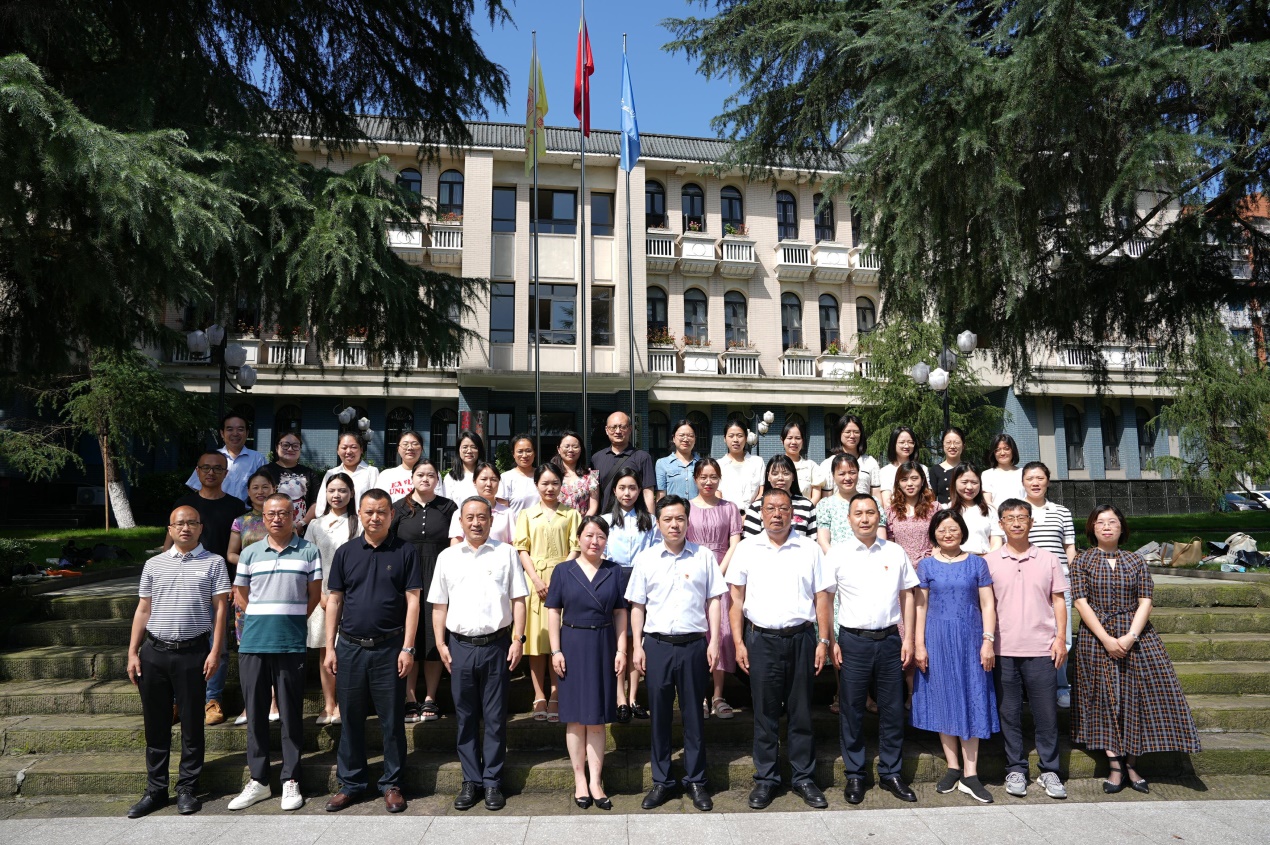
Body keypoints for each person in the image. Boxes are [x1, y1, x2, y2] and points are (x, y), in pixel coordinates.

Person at [1070, 505, 1200, 795]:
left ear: (1121, 527)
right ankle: (1115, 766)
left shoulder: (1135, 560)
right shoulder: (1082, 560)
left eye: (1112, 522)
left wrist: (1130, 636)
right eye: (1100, 522)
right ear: (1092, 528)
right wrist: (1106, 639)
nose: (1106, 527)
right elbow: (1080, 601)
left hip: (1137, 636)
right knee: (1104, 700)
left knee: (1135, 699)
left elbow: (1146, 600)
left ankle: (1132, 763)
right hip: (1096, 637)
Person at [727, 487, 835, 810]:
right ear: (761, 513)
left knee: (801, 712)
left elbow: (822, 598)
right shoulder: (747, 549)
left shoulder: (809, 549)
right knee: (765, 713)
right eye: (771, 508)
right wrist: (738, 642)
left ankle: (804, 777)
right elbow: (736, 600)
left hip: (801, 639)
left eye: (783, 508)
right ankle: (766, 779)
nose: (777, 514)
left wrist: (824, 640)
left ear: (793, 513)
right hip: (760, 640)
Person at [124, 506, 230, 818]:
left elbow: (220, 609)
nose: (186, 528)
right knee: (155, 724)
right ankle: (155, 790)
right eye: (179, 523)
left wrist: (215, 651)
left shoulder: (214, 563)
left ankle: (187, 788)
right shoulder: (154, 564)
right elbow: (143, 608)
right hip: (154, 653)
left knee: (192, 724)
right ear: (170, 529)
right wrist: (133, 652)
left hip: (193, 653)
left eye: (192, 523)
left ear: (201, 528)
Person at [322, 489, 421, 814]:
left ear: (391, 515)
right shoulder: (346, 552)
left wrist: (408, 647)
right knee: (350, 718)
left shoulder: (405, 551)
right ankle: (351, 784)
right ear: (360, 514)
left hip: (390, 648)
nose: (375, 517)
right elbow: (335, 600)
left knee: (391, 720)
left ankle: (392, 784)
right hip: (350, 647)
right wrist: (330, 647)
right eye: (369, 512)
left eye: (381, 512)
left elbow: (413, 602)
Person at [431, 496, 529, 812]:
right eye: (470, 517)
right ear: (461, 521)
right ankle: (471, 780)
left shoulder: (506, 553)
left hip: (497, 645)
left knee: (496, 717)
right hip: (459, 646)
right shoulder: (447, 557)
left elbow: (518, 600)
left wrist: (518, 639)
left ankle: (493, 782)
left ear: (491, 520)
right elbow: (439, 605)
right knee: (465, 717)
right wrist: (441, 644)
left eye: (482, 517)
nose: (476, 523)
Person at [627, 495, 725, 812]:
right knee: (660, 716)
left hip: (694, 645)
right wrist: (637, 645)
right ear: (658, 523)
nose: (674, 524)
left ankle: (696, 780)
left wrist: (713, 641)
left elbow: (714, 600)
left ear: (687, 520)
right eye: (668, 519)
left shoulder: (704, 556)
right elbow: (637, 605)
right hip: (657, 646)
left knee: (694, 715)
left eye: (680, 518)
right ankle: (662, 781)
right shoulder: (646, 559)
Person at [226, 493, 321, 812]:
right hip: (253, 642)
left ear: (294, 516)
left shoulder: (308, 551)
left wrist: (289, 620)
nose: (277, 518)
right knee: (255, 712)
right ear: (263, 518)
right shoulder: (250, 553)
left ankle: (291, 777)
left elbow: (314, 595)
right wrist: (262, 617)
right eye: (271, 514)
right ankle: (259, 780)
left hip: (290, 642)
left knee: (291, 713)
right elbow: (241, 595)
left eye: (283, 513)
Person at [828, 494, 919, 805]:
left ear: (878, 516)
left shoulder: (894, 551)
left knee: (892, 709)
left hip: (890, 639)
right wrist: (830, 640)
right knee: (852, 709)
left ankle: (891, 772)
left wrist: (908, 639)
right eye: (858, 513)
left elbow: (908, 595)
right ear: (849, 519)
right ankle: (855, 774)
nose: (864, 518)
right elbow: (825, 598)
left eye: (870, 512)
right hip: (852, 641)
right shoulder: (838, 553)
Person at [911, 510, 999, 804]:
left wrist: (988, 641)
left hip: (971, 638)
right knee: (944, 697)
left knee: (972, 696)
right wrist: (919, 644)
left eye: (953, 529)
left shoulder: (977, 563)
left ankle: (971, 774)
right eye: (941, 530)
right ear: (933, 534)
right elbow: (921, 607)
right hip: (937, 639)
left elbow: (988, 605)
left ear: (962, 531)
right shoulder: (926, 565)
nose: (947, 534)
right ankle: (952, 767)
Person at [985, 498, 1070, 800]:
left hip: (1042, 648)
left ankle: (1050, 770)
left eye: (1022, 517)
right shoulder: (989, 561)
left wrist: (1060, 638)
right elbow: (985, 606)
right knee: (1008, 713)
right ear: (1001, 524)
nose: (1017, 523)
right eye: (1010, 518)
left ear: (1031, 523)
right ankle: (1015, 768)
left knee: (1046, 713)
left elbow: (1058, 601)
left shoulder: (1049, 559)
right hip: (1003, 649)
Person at [546, 516, 628, 810]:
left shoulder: (614, 571)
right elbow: (553, 611)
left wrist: (621, 650)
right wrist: (556, 650)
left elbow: (621, 612)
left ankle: (596, 781)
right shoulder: (563, 570)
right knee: (575, 717)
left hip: (603, 644)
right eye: (589, 535)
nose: (595, 541)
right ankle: (579, 779)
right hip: (572, 645)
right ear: (578, 538)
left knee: (596, 717)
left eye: (601, 536)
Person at [167, 451, 245, 727]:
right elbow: (169, 543)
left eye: (217, 469)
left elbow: (238, 549)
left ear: (226, 473)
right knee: (179, 645)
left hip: (220, 585)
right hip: (184, 584)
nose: (211, 473)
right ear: (197, 471)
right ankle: (178, 700)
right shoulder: (184, 504)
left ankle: (212, 699)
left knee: (218, 646)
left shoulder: (236, 506)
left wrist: (237, 583)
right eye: (205, 468)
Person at [391, 459, 457, 724]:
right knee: (410, 634)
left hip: (438, 577)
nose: (425, 479)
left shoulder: (448, 507)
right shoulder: (399, 507)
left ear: (437, 480)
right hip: (405, 577)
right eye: (420, 474)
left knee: (432, 634)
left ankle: (430, 696)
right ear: (412, 478)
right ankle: (409, 697)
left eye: (431, 475)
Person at [515, 462, 581, 722]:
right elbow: (522, 549)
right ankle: (539, 695)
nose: (550, 488)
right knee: (535, 641)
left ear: (561, 485)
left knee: (557, 640)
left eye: (555, 483)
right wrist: (535, 579)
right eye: (544, 483)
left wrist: (560, 576)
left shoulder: (571, 514)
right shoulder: (527, 515)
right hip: (534, 581)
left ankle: (556, 693)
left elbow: (576, 547)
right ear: (536, 485)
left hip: (564, 578)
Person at [603, 467, 660, 722]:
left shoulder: (651, 521)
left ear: (640, 491)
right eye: (622, 488)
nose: (627, 493)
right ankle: (620, 698)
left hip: (641, 581)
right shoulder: (605, 520)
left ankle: (634, 696)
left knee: (637, 639)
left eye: (633, 488)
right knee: (619, 641)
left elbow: (655, 554)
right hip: (613, 579)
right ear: (614, 490)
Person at [687, 458, 743, 719]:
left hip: (723, 572)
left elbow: (735, 542)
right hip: (693, 574)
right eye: (703, 477)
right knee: (699, 633)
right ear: (695, 479)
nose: (708, 482)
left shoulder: (729, 508)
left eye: (713, 477)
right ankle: (699, 695)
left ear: (720, 478)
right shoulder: (686, 507)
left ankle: (718, 695)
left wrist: (719, 572)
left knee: (721, 632)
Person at [305, 472, 360, 725]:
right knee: (325, 651)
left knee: (347, 651)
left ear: (351, 494)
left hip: (353, 596)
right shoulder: (316, 525)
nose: (336, 495)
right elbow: (308, 561)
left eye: (342, 490)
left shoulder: (358, 523)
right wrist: (320, 594)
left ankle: (345, 705)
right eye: (331, 491)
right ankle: (329, 705)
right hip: (321, 595)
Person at [1022, 461, 1077, 709]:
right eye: (1030, 478)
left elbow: (1069, 547)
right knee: (1030, 636)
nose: (1035, 483)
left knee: (1062, 637)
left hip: (1059, 582)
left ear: (1048, 481)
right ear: (1023, 482)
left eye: (1040, 478)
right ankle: (1032, 688)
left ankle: (1061, 687)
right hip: (1028, 583)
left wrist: (1074, 577)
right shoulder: (1017, 511)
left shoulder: (1061, 511)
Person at [226, 468, 278, 725]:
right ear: (248, 492)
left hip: (277, 588)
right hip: (247, 588)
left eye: (265, 487)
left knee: (274, 646)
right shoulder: (241, 521)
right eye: (255, 488)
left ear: (274, 489)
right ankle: (250, 705)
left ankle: (274, 701)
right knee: (248, 649)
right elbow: (231, 554)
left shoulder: (282, 517)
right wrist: (252, 564)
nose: (260, 492)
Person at [816, 453, 861, 715]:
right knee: (839, 635)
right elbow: (823, 539)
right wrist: (841, 564)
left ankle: (865, 694)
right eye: (841, 473)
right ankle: (841, 691)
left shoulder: (869, 503)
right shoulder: (825, 505)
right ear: (833, 476)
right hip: (836, 574)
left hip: (865, 574)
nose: (847, 477)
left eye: (852, 472)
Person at [185, 412, 267, 502]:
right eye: (230, 429)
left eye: (240, 429)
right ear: (222, 433)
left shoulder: (258, 459)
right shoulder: (210, 458)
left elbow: (266, 488)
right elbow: (197, 487)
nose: (235, 433)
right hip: (215, 508)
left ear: (247, 433)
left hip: (246, 510)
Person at [590, 411, 656, 514]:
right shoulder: (596, 458)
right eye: (613, 427)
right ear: (606, 430)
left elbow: (648, 492)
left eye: (622, 427)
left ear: (630, 429)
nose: (618, 431)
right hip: (605, 518)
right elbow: (594, 492)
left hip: (634, 518)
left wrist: (651, 519)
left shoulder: (643, 457)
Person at [742, 454, 817, 538]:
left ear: (793, 476)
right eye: (775, 474)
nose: (780, 478)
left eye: (786, 473)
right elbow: (749, 542)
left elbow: (812, 540)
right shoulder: (756, 507)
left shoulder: (807, 506)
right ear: (768, 477)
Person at [263, 431, 321, 532]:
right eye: (285, 445)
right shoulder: (265, 471)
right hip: (271, 527)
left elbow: (316, 502)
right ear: (276, 447)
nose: (290, 449)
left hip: (301, 530)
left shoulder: (309, 473)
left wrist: (302, 523)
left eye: (295, 446)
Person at [884, 460, 937, 565]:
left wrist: (931, 563)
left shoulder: (934, 508)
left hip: (929, 565)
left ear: (922, 481)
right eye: (904, 479)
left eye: (914, 478)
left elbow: (939, 540)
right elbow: (890, 543)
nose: (909, 484)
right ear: (898, 483)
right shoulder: (891, 511)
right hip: (901, 566)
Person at [314, 433, 380, 517]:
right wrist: (322, 520)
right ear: (337, 451)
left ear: (361, 449)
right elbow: (321, 503)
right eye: (344, 448)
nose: (348, 451)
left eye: (353, 447)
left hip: (362, 522)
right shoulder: (331, 473)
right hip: (334, 522)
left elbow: (377, 501)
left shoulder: (371, 472)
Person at [449, 461, 514, 544]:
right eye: (484, 479)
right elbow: (455, 544)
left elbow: (513, 543)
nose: (489, 484)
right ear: (474, 482)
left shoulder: (508, 513)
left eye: (493, 480)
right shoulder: (461, 512)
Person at [819, 414, 880, 498]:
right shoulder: (827, 464)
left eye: (856, 432)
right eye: (847, 432)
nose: (852, 436)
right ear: (839, 434)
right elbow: (826, 497)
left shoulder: (870, 462)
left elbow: (876, 496)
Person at [948, 463, 1004, 555]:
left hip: (983, 559)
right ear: (954, 482)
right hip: (954, 560)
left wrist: (988, 559)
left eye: (974, 482)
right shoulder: (946, 509)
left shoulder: (989, 510)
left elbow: (996, 541)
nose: (969, 487)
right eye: (964, 482)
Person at [718, 418, 765, 509]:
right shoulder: (719, 465)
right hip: (726, 513)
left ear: (746, 438)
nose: (735, 440)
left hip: (752, 514)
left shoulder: (757, 462)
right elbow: (718, 493)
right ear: (725, 439)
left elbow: (761, 491)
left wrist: (751, 512)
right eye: (731, 436)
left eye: (740, 436)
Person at [878, 426, 927, 509]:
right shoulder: (885, 471)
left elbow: (927, 495)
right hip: (896, 514)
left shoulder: (923, 468)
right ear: (893, 444)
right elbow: (887, 502)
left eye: (910, 442)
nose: (906, 446)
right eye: (902, 442)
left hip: (921, 512)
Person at [781, 418, 825, 505]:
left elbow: (816, 496)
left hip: (806, 511)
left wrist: (805, 510)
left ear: (803, 441)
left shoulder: (811, 466)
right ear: (782, 440)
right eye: (789, 438)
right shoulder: (776, 465)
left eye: (798, 438)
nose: (794, 442)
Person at [553, 430, 599, 514]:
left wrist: (583, 522)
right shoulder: (551, 474)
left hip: (582, 521)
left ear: (581, 449)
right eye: (566, 446)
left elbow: (593, 507)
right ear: (559, 449)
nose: (570, 450)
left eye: (575, 446)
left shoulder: (591, 476)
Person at [498, 435, 540, 520]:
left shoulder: (542, 475)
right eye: (520, 451)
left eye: (528, 451)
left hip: (541, 527)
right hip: (516, 527)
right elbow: (502, 511)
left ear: (534, 453)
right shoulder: (506, 478)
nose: (524, 455)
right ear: (513, 454)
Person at [655, 418, 700, 500]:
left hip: (697, 508)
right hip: (672, 508)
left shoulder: (702, 463)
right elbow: (661, 495)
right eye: (681, 435)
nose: (686, 439)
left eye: (690, 436)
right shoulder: (662, 463)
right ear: (673, 438)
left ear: (695, 439)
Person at [375, 430, 425, 502]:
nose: (410, 448)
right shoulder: (386, 475)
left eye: (415, 444)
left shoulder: (431, 474)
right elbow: (378, 501)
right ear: (398, 449)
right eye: (405, 444)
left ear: (421, 448)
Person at [441, 429, 486, 504]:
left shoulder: (487, 474)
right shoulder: (451, 477)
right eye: (465, 447)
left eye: (473, 447)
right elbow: (447, 505)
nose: (469, 451)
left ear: (479, 450)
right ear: (458, 450)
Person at [980, 434, 1025, 506]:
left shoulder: (1023, 473)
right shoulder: (987, 474)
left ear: (1013, 450)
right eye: (997, 450)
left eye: (1006, 449)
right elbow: (988, 502)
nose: (1002, 453)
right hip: (996, 513)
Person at [928, 427, 967, 505]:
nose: (952, 446)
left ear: (963, 445)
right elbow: (931, 499)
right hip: (943, 511)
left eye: (956, 442)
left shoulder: (968, 468)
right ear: (943, 445)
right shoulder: (935, 470)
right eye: (948, 442)